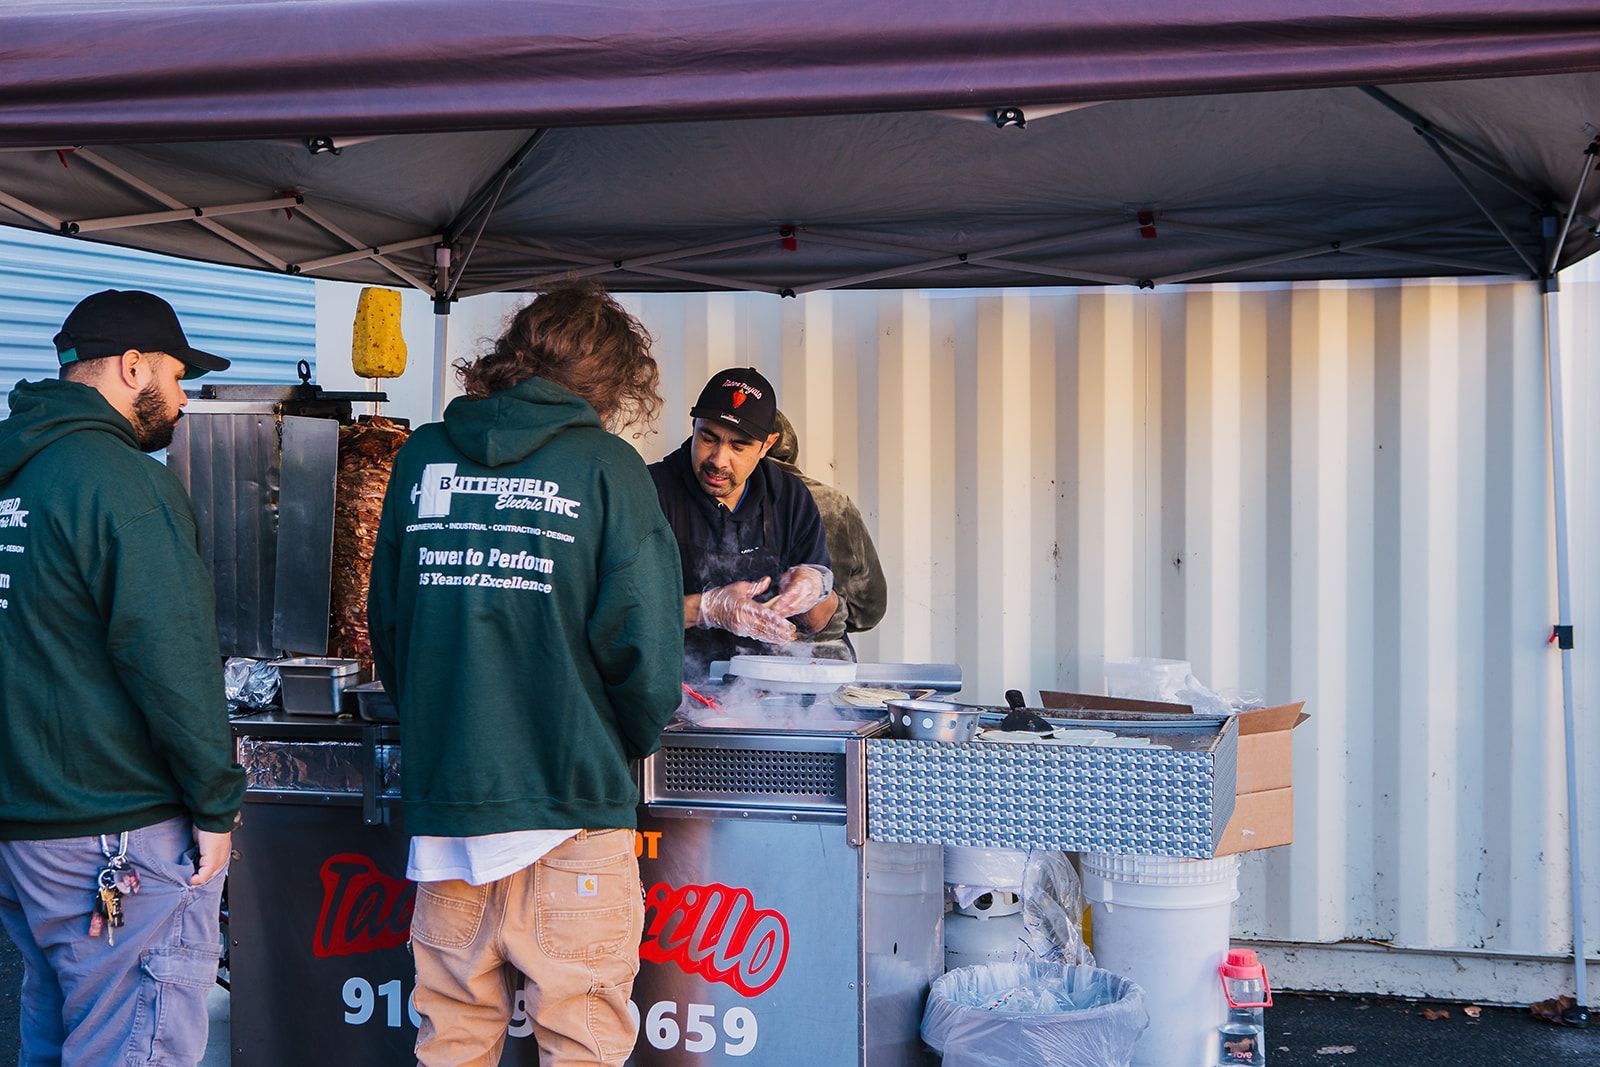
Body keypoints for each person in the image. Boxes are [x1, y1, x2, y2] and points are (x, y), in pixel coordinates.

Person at [367, 283, 684, 1067]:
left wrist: (445, 726)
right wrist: (618, 746)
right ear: (609, 382)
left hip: (450, 809)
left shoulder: (423, 456)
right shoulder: (608, 468)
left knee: (453, 1044)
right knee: (580, 1046)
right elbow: (645, 652)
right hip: (573, 807)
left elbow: (390, 627)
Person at [0, 289, 244, 1066]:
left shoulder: (13, 473)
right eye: (176, 378)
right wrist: (216, 803)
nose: (180, 400)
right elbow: (171, 657)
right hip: (116, 833)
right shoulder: (122, 484)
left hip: (26, 835)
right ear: (131, 366)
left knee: (55, 1038)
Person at [648, 368, 839, 677]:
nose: (719, 460)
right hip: (673, 687)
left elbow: (817, 621)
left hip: (761, 691)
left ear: (767, 445)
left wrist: (814, 587)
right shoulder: (649, 490)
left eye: (739, 446)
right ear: (693, 424)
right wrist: (707, 609)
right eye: (708, 437)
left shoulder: (790, 498)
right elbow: (622, 615)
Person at [767, 410, 887, 660]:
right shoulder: (834, 502)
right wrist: (832, 610)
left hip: (746, 662)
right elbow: (870, 607)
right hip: (826, 658)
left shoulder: (716, 497)